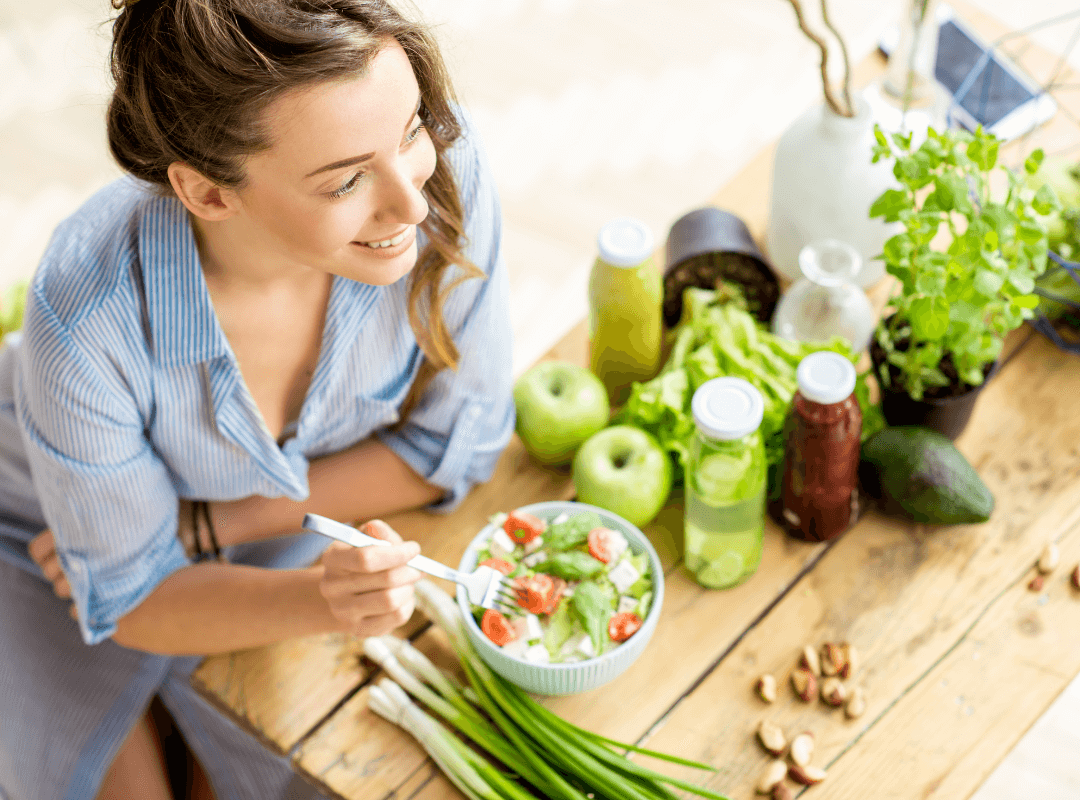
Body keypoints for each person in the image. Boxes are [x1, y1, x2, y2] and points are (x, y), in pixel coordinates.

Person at [0, 0, 514, 798]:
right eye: (346, 179)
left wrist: (214, 525)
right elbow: (136, 597)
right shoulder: (87, 311)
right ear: (207, 194)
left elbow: (460, 442)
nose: (411, 204)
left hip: (239, 533)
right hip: (36, 536)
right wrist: (325, 596)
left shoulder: (437, 177)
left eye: (410, 128)